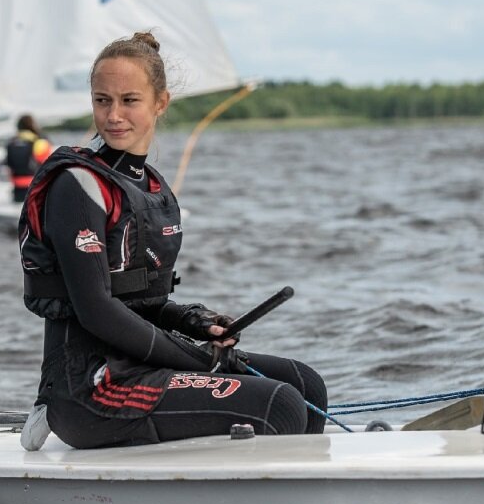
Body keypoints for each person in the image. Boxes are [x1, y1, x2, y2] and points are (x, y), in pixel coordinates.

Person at [17, 32, 327, 450]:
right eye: (102, 100)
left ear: (160, 102)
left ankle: (301, 499)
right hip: (90, 389)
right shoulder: (78, 185)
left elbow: (141, 302)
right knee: (282, 403)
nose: (113, 115)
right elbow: (96, 311)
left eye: (130, 100)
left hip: (140, 365)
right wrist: (202, 360)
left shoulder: (151, 188)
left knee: (304, 384)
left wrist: (195, 322)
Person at [6, 114, 53, 202]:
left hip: (17, 188)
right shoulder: (40, 142)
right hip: (34, 189)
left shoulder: (11, 143)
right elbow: (48, 165)